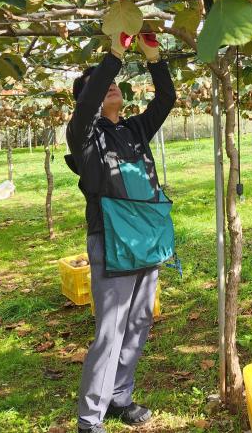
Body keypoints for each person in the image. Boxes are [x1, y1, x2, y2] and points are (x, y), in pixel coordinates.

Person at [66, 32, 176, 432]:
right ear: (86, 100)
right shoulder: (84, 134)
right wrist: (113, 56)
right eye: (98, 84)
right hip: (112, 239)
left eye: (113, 80)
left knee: (139, 321)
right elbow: (90, 98)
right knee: (110, 329)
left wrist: (153, 58)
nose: (110, 85)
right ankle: (89, 419)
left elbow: (166, 100)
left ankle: (119, 396)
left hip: (146, 236)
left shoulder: (132, 130)